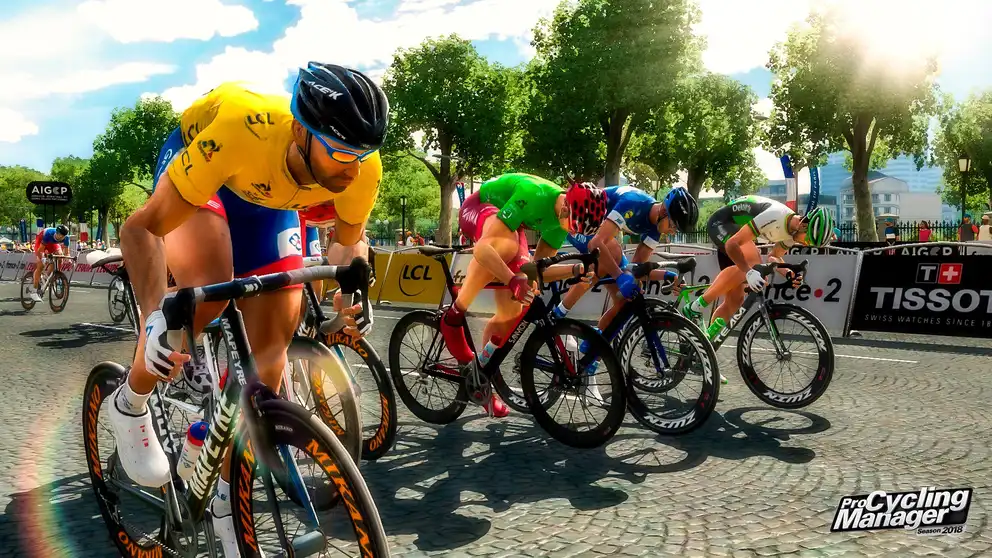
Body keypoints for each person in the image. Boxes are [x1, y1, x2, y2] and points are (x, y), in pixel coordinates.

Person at [108, 62, 388, 557]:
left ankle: (224, 501)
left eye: (362, 155)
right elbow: (142, 228)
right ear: (301, 132)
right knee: (210, 291)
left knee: (269, 359)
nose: (353, 169)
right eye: (341, 152)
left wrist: (352, 291)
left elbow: (349, 243)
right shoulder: (241, 129)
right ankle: (130, 400)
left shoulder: (363, 168)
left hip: (267, 199)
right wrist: (154, 317)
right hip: (208, 168)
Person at [439, 173, 593, 417]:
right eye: (573, 226)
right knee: (507, 243)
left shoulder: (560, 223)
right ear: (566, 207)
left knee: (513, 309)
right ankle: (454, 315)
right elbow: (483, 248)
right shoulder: (532, 194)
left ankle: (481, 379)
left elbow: (536, 270)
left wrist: (575, 270)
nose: (572, 232)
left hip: (510, 225)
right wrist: (511, 280)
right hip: (478, 207)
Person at [682, 196, 833, 346]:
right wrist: (749, 272)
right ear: (803, 225)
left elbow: (774, 257)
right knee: (753, 265)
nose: (805, 244)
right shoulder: (776, 216)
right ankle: (695, 307)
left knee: (735, 301)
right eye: (808, 240)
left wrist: (789, 273)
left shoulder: (793, 233)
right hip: (721, 223)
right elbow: (732, 244)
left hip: (737, 230)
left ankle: (703, 346)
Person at [29, 224, 70, 302]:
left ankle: (51, 277)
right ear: (57, 233)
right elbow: (40, 250)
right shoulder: (48, 234)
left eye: (63, 236)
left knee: (60, 257)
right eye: (60, 236)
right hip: (41, 240)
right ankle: (34, 291)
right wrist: (43, 258)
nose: (62, 238)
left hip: (52, 243)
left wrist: (69, 259)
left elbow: (66, 253)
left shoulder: (66, 238)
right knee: (40, 266)